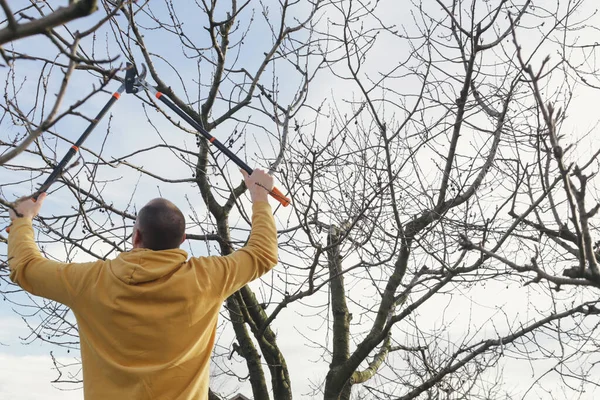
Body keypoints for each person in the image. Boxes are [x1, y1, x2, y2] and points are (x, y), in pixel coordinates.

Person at [7, 169, 279, 400]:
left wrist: (22, 221)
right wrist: (259, 196)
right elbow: (262, 253)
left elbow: (27, 268)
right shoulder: (207, 278)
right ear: (183, 239)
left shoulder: (90, 281)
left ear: (136, 235)